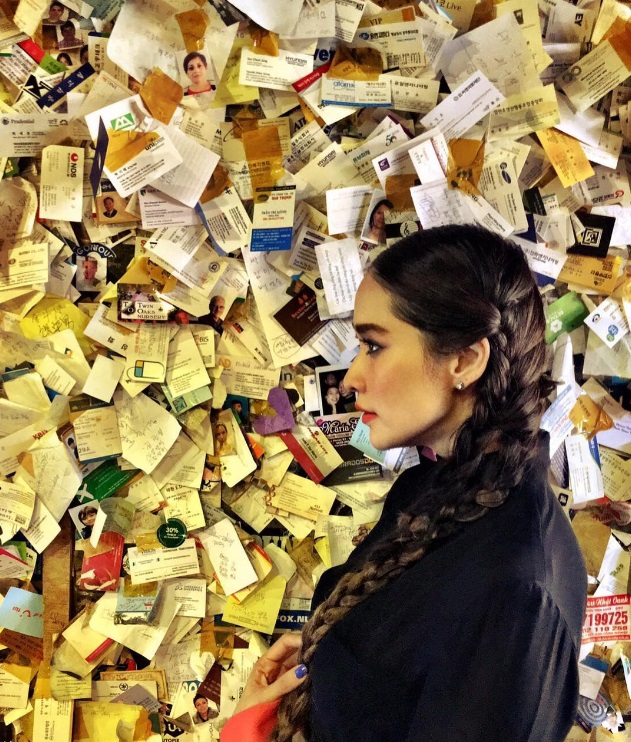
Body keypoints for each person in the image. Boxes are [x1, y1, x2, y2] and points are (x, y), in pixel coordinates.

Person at [220, 225, 587, 742]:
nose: (351, 377)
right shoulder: (428, 488)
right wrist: (321, 668)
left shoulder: (517, 589)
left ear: (464, 360)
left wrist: (246, 734)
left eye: (373, 346)